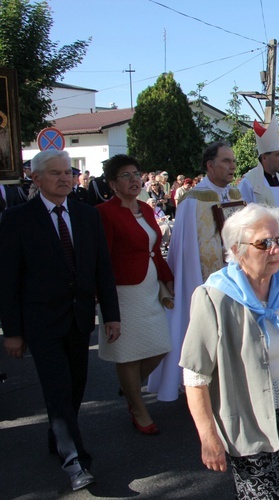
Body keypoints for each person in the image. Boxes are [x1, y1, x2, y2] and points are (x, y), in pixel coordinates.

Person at [180, 203, 279, 499]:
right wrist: (208, 436)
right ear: (236, 249)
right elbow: (195, 375)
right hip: (248, 422)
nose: (276, 250)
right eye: (264, 243)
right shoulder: (214, 297)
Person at [0, 150, 120, 491]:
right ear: (36, 179)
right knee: (56, 389)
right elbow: (7, 280)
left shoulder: (86, 216)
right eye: (55, 173)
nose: (65, 178)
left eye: (68, 172)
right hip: (41, 321)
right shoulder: (17, 219)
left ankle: (59, 437)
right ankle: (76, 460)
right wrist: (12, 332)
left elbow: (102, 269)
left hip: (80, 319)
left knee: (76, 386)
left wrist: (111, 315)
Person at [147, 142, 243, 402]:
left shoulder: (235, 193)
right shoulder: (194, 199)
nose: (232, 165)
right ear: (210, 165)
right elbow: (185, 249)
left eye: (233, 161)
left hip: (237, 276)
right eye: (225, 160)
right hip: (204, 279)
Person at [96, 154, 174, 435]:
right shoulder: (104, 213)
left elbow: (153, 250)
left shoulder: (145, 207)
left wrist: (168, 278)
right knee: (127, 355)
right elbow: (101, 258)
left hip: (150, 290)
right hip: (121, 292)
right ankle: (138, 407)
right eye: (125, 175)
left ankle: (130, 390)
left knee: (161, 347)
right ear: (112, 183)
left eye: (136, 174)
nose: (133, 180)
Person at [239, 115, 279, 275]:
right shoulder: (249, 183)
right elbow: (243, 223)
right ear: (265, 157)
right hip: (267, 250)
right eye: (278, 155)